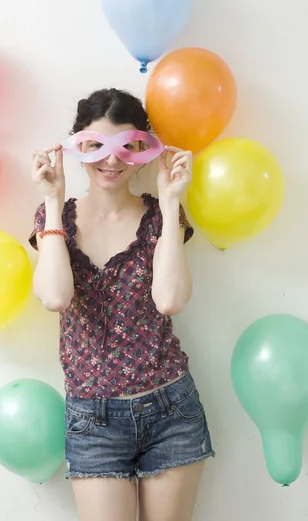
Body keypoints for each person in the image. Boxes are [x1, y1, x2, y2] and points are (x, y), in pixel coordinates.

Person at [29, 88, 214, 521]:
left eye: (125, 146)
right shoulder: (53, 217)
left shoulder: (159, 217)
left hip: (170, 410)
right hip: (92, 420)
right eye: (94, 146)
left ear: (142, 149)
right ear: (75, 147)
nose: (110, 161)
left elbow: (170, 300)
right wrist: (53, 200)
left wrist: (170, 202)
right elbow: (55, 297)